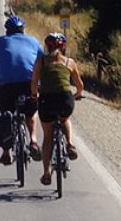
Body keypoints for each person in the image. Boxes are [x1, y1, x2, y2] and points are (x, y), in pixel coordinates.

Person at [0, 15, 45, 165]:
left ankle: (6, 152)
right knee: (31, 111)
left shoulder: (0, 42)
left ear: (7, 30)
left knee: (7, 114)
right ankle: (33, 141)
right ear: (23, 30)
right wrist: (41, 84)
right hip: (28, 84)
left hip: (7, 87)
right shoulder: (33, 41)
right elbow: (42, 63)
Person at [31, 32, 85, 185]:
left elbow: (34, 83)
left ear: (47, 47)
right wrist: (77, 95)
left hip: (46, 101)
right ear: (63, 47)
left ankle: (47, 173)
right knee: (65, 118)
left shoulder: (40, 62)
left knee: (48, 137)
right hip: (65, 100)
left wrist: (34, 95)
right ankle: (69, 143)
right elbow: (80, 86)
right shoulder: (70, 62)